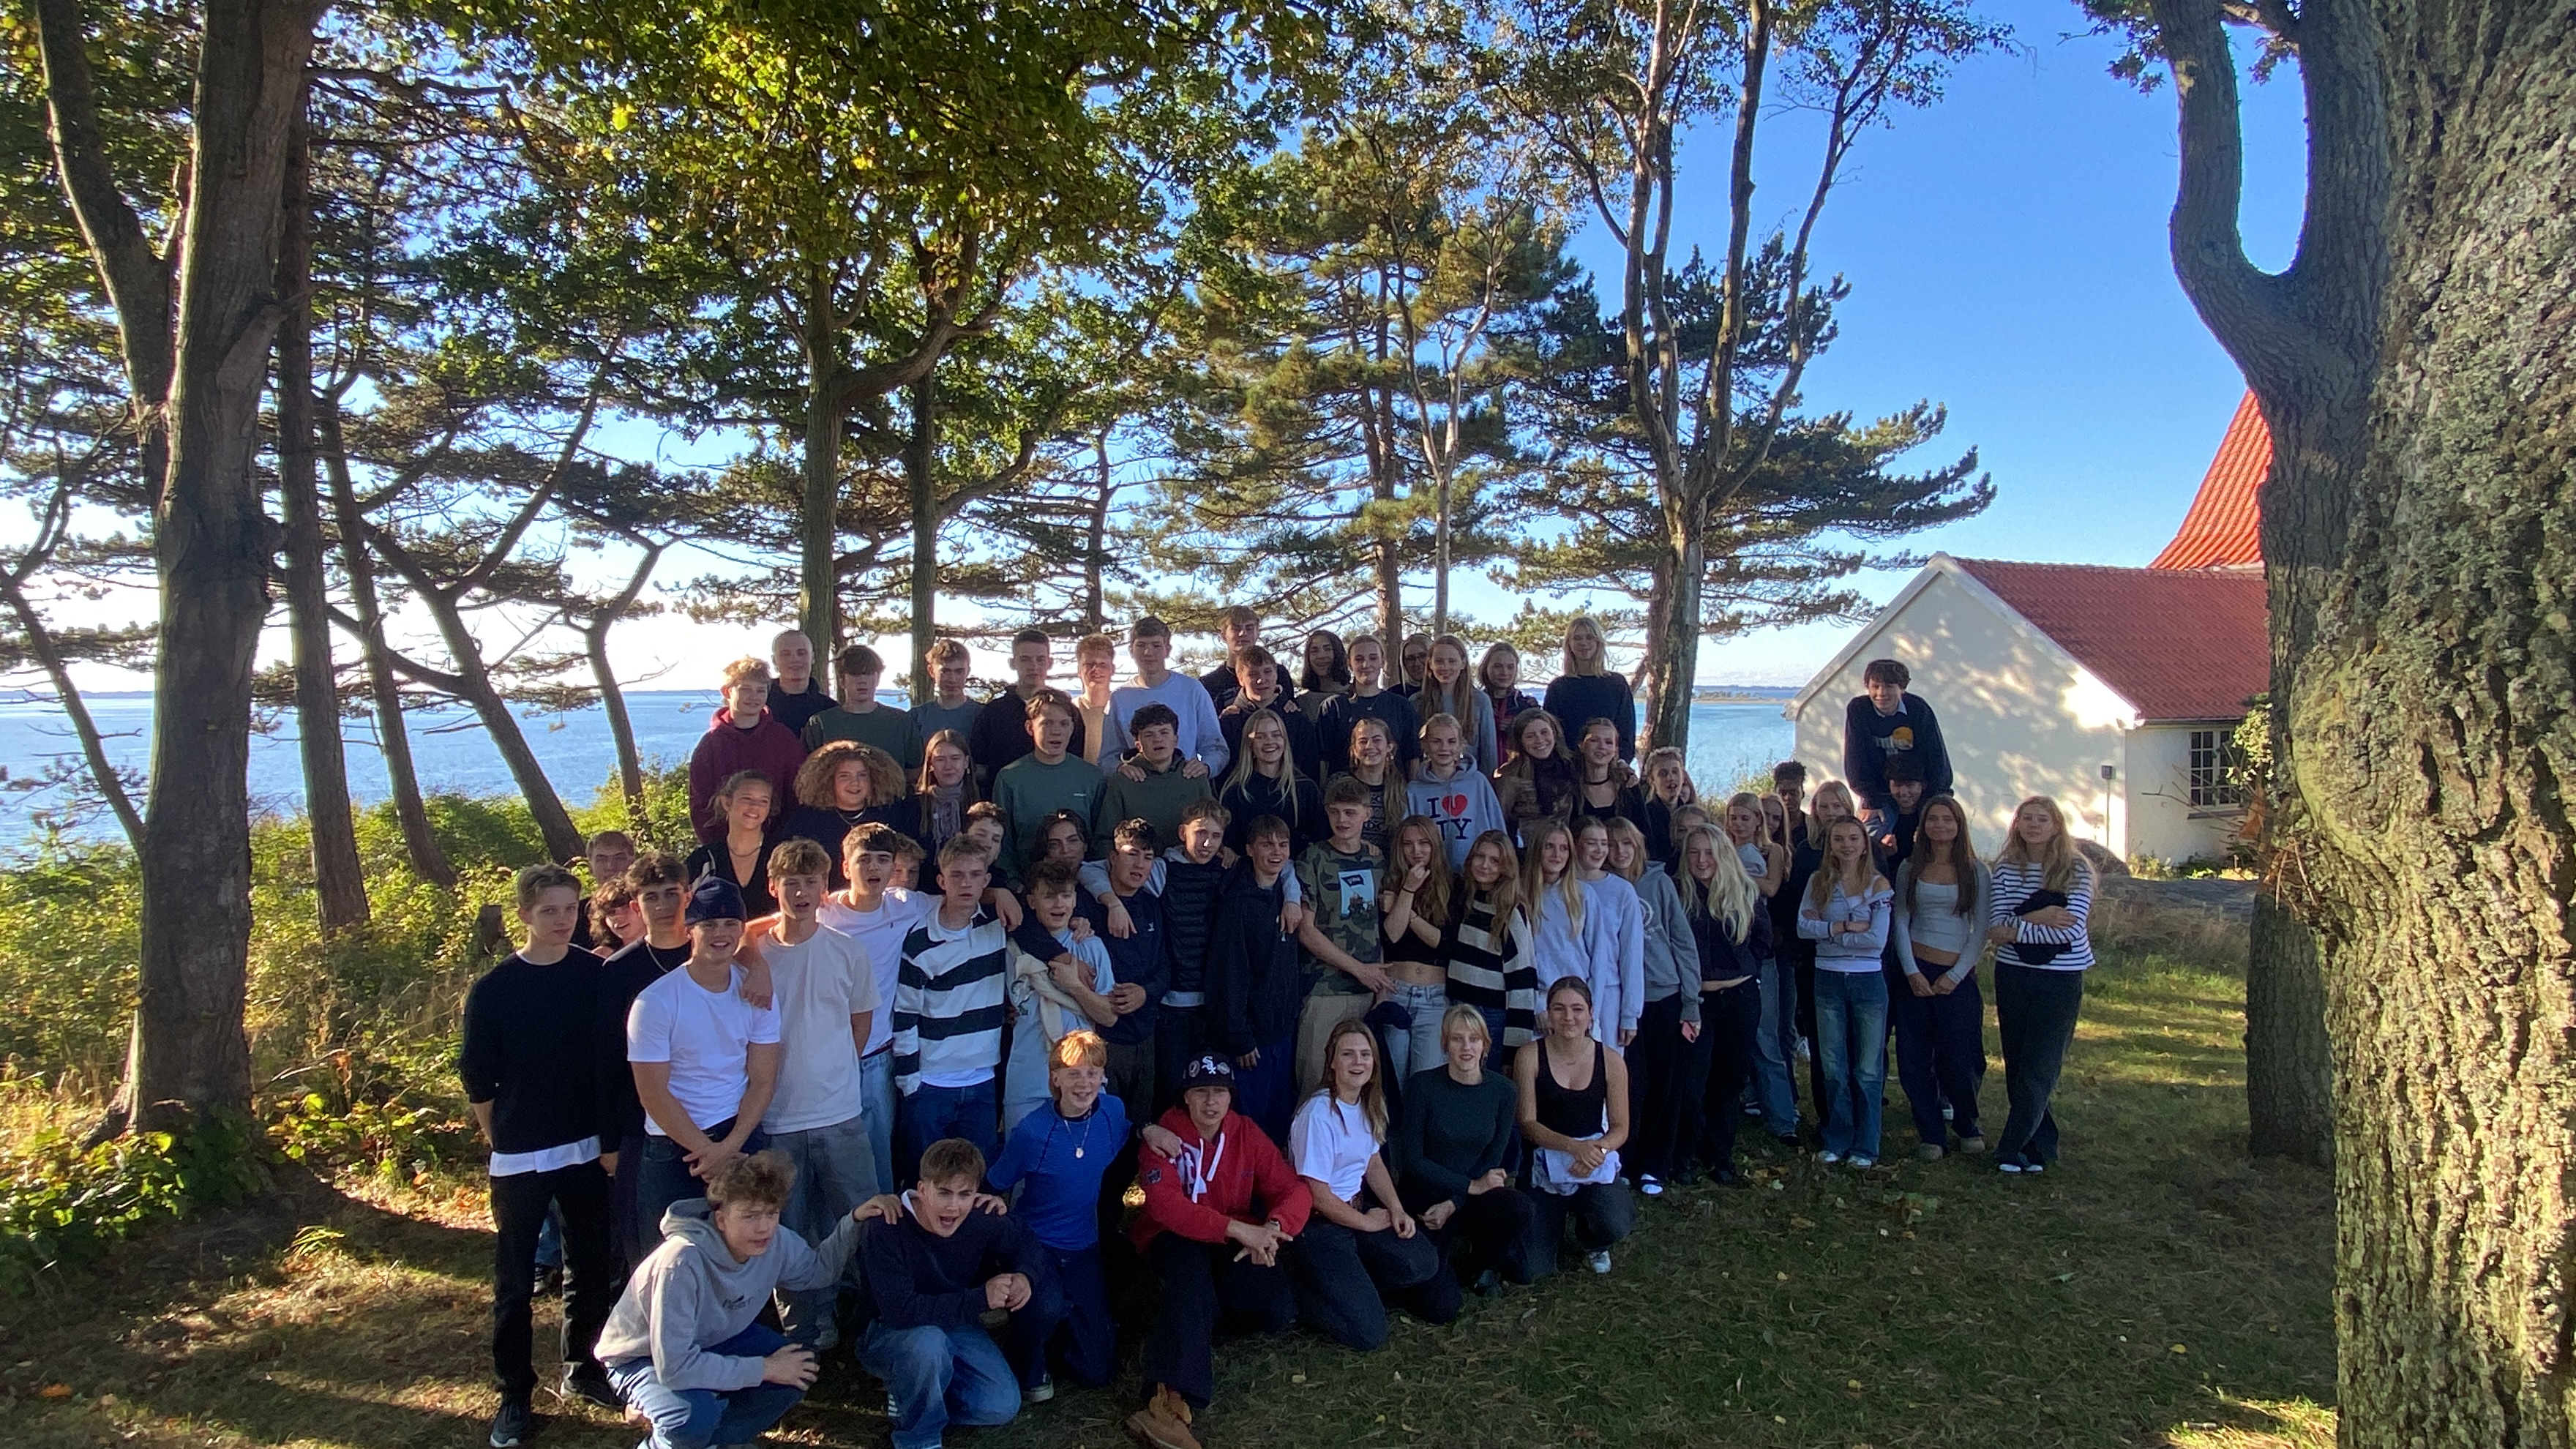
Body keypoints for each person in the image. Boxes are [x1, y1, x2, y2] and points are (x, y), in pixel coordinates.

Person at [465, 864, 617, 1448]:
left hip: (586, 1146)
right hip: (521, 1154)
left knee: (590, 1265)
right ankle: (514, 1394)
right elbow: (479, 1079)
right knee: (514, 1281)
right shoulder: (495, 989)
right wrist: (503, 1138)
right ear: (525, 915)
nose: (561, 920)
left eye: (570, 909)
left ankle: (584, 1368)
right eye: (549, 910)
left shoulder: (595, 975)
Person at [594, 1151, 866, 1449]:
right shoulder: (680, 1262)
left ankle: (715, 1440)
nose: (764, 1227)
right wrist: (764, 1368)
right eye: (750, 1216)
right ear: (721, 1219)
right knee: (690, 1417)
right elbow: (675, 1368)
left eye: (772, 1213)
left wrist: (854, 1221)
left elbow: (816, 1272)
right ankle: (666, 1430)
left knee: (798, 1368)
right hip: (643, 1357)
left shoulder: (776, 1240)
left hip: (718, 1339)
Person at [1126, 1055, 1310, 1449]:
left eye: (1220, 1092)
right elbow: (1165, 1207)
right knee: (1189, 1277)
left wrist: (1273, 1229)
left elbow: (1292, 1189)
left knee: (1275, 1307)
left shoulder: (1245, 1133)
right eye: (1201, 1092)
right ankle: (1166, 1402)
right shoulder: (1164, 1136)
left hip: (1231, 1237)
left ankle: (1194, 1323)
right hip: (1173, 1235)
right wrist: (1240, 1230)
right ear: (1186, 1098)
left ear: (1231, 1097)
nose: (1211, 1102)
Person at [748, 839, 880, 1347]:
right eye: (791, 883)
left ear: (826, 888)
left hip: (839, 1113)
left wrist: (833, 1069)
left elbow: (860, 1023)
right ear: (773, 887)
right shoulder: (753, 956)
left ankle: (874, 1315)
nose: (801, 893)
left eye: (811, 882)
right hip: (777, 1116)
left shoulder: (848, 951)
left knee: (863, 1217)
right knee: (788, 1229)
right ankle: (806, 1328)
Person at [856, 1138, 1053, 1448]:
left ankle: (914, 1396)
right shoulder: (887, 1226)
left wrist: (1024, 1276)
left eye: (965, 1194)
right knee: (928, 1344)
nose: (953, 1206)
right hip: (892, 1329)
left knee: (1001, 1405)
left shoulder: (979, 1216)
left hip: (955, 1321)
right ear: (922, 1190)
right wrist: (981, 1299)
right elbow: (900, 1312)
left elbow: (1026, 1243)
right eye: (944, 1193)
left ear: (977, 1194)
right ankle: (919, 1437)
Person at [626, 877, 781, 1251]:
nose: (721, 934)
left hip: (739, 1133)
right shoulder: (655, 1002)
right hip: (674, 1143)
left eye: (730, 924)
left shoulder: (758, 993)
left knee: (748, 1252)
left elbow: (763, 1079)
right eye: (709, 924)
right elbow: (653, 1093)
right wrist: (709, 1153)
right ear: (689, 930)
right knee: (669, 1257)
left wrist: (729, 1147)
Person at [1288, 1019, 1458, 1348]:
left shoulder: (1368, 1102)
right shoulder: (1318, 1114)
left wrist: (1396, 1209)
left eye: (1365, 1055)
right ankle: (1296, 1291)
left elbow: (1373, 1161)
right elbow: (1318, 1195)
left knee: (1423, 1263)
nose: (1358, 1062)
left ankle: (1356, 1286)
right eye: (1348, 1054)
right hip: (1320, 1225)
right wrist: (1366, 1223)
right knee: (1369, 1335)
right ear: (1332, 1061)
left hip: (1356, 1210)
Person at [986, 1031, 1127, 1400]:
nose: (1084, 1083)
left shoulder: (1113, 1113)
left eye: (1092, 1073)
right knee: (1044, 1304)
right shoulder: (1032, 1131)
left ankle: (1063, 1332)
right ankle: (1024, 1358)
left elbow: (1129, 1140)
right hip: (1037, 1244)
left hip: (1084, 1245)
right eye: (1073, 1073)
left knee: (1098, 1371)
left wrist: (1152, 1130)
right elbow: (995, 1183)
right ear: (1055, 1078)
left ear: (1103, 1077)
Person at [817, 825, 934, 1203]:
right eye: (864, 860)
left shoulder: (906, 905)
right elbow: (762, 931)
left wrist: (1000, 894)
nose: (873, 868)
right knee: (828, 1163)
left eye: (883, 860)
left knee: (878, 1161)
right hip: (826, 1059)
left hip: (877, 1059)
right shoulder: (823, 912)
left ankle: (881, 1232)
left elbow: (959, 900)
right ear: (845, 867)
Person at [1390, 1005, 1535, 1294]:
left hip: (1470, 1194)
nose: (1466, 1047)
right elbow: (1413, 1160)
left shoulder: (1504, 1091)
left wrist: (1455, 1202)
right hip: (1426, 1195)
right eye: (1457, 1039)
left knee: (1519, 1208)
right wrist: (1468, 1187)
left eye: (1474, 1039)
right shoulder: (1422, 1086)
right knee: (1437, 1304)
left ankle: (1481, 1264)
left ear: (1485, 1045)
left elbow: (1493, 1158)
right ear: (1445, 1045)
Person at [599, 853, 700, 1266]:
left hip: (712, 1114)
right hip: (640, 1125)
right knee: (648, 1246)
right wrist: (610, 1141)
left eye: (672, 894)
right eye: (651, 897)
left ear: (688, 896)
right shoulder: (619, 970)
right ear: (636, 906)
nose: (663, 905)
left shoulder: (712, 952)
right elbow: (607, 1061)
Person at [1986, 795, 2094, 1174]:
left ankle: (2009, 1148)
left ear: (2056, 825)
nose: (2033, 825)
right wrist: (2038, 917)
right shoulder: (2006, 869)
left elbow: (2069, 932)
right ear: (2016, 824)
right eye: (2027, 818)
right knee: (2017, 1062)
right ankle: (2039, 1146)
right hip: (2013, 975)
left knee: (2042, 1063)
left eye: (2041, 819)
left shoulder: (2076, 870)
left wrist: (2016, 927)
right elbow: (1994, 929)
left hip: (2060, 979)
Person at [892, 837, 1012, 1176]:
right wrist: (910, 1083)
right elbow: (905, 1016)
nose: (966, 884)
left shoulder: (998, 925)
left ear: (986, 881)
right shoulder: (919, 942)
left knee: (977, 1178)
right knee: (925, 1179)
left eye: (975, 875)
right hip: (930, 1083)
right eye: (957, 875)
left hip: (982, 1079)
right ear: (942, 881)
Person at [1892, 794, 1991, 1161]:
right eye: (1933, 819)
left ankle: (1967, 1123)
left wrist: (1956, 975)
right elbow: (1901, 919)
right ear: (1923, 826)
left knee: (1961, 1057)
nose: (1940, 826)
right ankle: (1931, 1132)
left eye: (1947, 819)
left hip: (1957, 976)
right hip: (1916, 972)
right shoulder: (1910, 868)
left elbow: (1981, 928)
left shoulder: (1976, 871)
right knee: (1914, 1058)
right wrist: (1911, 971)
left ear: (1959, 825)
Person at [1603, 819, 1698, 1196]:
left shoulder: (1659, 883)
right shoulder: (1600, 887)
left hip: (1664, 995)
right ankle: (1626, 1159)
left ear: (1638, 845)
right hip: (1622, 1000)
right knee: (1630, 1084)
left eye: (1627, 844)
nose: (1620, 851)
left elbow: (1682, 941)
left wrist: (1691, 1002)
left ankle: (1655, 1165)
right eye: (1612, 845)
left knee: (1665, 1084)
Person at [1514, 979, 1634, 1276]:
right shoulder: (1529, 1056)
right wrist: (1572, 1147)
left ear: (1591, 1013)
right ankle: (1551, 1224)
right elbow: (1527, 1123)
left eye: (1577, 1009)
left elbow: (1621, 1127)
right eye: (1559, 1009)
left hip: (1592, 1160)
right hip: (1543, 1164)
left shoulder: (1611, 1061)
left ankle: (1593, 1239)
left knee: (1615, 1222)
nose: (1569, 1017)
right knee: (1531, 1269)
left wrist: (1597, 1151)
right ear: (1548, 1012)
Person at [1797, 815, 1895, 1167]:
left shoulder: (1879, 885)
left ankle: (1866, 1145)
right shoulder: (1818, 881)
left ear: (1864, 844)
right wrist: (1844, 926)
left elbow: (1877, 940)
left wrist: (1827, 931)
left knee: (1867, 1069)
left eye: (1854, 838)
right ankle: (1837, 1138)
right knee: (1833, 1066)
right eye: (1839, 839)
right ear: (1830, 845)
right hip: (1827, 979)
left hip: (1868, 981)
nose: (1847, 845)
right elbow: (1803, 927)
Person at [1677, 824, 1770, 1185]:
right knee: (1691, 1082)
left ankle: (1720, 1156)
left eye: (1709, 853)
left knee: (1729, 1082)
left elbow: (1762, 940)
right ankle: (1685, 1154)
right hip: (1695, 1001)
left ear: (1723, 855)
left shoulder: (1745, 891)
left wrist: (1744, 968)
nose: (1702, 860)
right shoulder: (1677, 893)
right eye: (1694, 852)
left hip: (1740, 998)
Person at [1289, 782, 1395, 1093]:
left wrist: (1380, 985)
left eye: (1350, 813)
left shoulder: (1377, 861)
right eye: (1335, 812)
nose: (1342, 820)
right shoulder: (1312, 859)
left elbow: (1379, 926)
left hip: (1368, 991)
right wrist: (1359, 970)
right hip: (1324, 990)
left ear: (1367, 814)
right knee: (1316, 1084)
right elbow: (1306, 931)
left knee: (1363, 1090)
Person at [1204, 815, 1303, 1142]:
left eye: (1283, 845)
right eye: (1267, 845)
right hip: (1250, 1041)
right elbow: (1228, 973)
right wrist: (1239, 1036)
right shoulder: (1236, 903)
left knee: (1278, 1127)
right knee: (1249, 1128)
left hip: (1283, 1033)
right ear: (1249, 849)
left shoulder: (1287, 895)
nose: (1276, 852)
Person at [1002, 860, 1119, 1136]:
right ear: (1032, 901)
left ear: (1075, 899)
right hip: (1027, 1080)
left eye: (1066, 895)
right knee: (1023, 1160)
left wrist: (1075, 986)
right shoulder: (1010, 949)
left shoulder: (1091, 946)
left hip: (1082, 1081)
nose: (1059, 904)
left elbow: (1109, 1016)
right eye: (1049, 896)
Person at [1074, 817, 1166, 1132]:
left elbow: (1165, 967)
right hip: (1101, 1039)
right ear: (1112, 857)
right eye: (1132, 854)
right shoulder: (1084, 906)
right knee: (1099, 1130)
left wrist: (1145, 992)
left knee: (1138, 1130)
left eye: (1148, 857)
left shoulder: (1152, 905)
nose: (1140, 864)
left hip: (1145, 1036)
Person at [1724, 794, 1799, 1144]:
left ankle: (1783, 1118)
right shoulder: (1724, 850)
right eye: (1733, 817)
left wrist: (1730, 874)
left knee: (1767, 1038)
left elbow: (1769, 887)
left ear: (1758, 821)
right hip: (1729, 951)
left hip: (1759, 948)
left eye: (1745, 818)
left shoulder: (1764, 853)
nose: (1738, 824)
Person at [1442, 831, 1541, 1067]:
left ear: (1506, 868)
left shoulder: (1512, 911)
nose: (1485, 865)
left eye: (1495, 861)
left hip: (1490, 1014)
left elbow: (1523, 980)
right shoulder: (1463, 899)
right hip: (1455, 1005)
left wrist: (1513, 1051)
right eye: (1480, 857)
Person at [687, 659, 809, 845]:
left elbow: (799, 792)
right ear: (727, 692)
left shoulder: (783, 739)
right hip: (726, 846)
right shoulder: (711, 745)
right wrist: (717, 846)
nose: (754, 697)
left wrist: (784, 840)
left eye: (761, 690)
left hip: (777, 845)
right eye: (745, 689)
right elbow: (700, 804)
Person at [992, 689, 1104, 876]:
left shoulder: (1092, 777)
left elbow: (1100, 840)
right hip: (1028, 884)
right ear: (1030, 728)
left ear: (1072, 728)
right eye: (1047, 723)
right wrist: (1013, 883)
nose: (1056, 731)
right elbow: (1003, 843)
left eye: (1064, 724)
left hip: (1084, 882)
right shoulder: (1009, 778)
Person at [1377, 813, 1456, 1077]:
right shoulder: (1389, 883)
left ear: (1435, 845)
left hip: (1434, 998)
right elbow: (1392, 935)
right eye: (1408, 844)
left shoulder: (1452, 885)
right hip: (1395, 991)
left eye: (1424, 843)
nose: (1416, 851)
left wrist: (1406, 907)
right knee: (1393, 1082)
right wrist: (1408, 890)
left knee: (1426, 1081)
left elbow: (1442, 943)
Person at [1102, 615, 1229, 775]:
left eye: (1156, 645)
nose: (1148, 652)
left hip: (1184, 782)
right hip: (1140, 785)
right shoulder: (1119, 698)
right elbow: (1107, 758)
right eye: (1141, 645)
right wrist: (1120, 769)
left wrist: (1206, 767)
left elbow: (1217, 748)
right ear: (1131, 650)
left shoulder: (1192, 690)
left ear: (1167, 650)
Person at [1843, 657, 1953, 834]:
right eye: (1875, 686)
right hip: (1879, 793)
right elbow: (1855, 760)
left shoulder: (1918, 710)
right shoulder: (1859, 710)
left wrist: (1932, 800)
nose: (1881, 693)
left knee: (1937, 833)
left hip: (1918, 791)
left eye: (1889, 686)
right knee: (1868, 836)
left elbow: (1937, 758)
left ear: (1902, 688)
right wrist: (1871, 800)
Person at [970, 629, 1089, 787]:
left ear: (1050, 663)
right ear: (1013, 663)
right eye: (1025, 660)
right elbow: (979, 767)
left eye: (1040, 660)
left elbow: (1075, 763)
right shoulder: (993, 713)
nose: (1034, 666)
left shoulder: (1067, 713)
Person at [779, 741, 907, 885]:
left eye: (862, 775)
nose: (855, 782)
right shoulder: (805, 820)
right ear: (828, 780)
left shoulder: (892, 815)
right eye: (844, 776)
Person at [1569, 817, 1647, 1051]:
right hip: (1567, 991)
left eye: (1604, 844)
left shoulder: (1623, 891)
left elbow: (1632, 954)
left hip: (1609, 993)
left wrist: (1630, 1014)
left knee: (1606, 1064)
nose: (1600, 850)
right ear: (1576, 844)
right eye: (1591, 843)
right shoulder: (1561, 887)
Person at [1096, 702, 1216, 849]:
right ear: (1139, 745)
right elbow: (1105, 838)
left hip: (1187, 860)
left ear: (1175, 740)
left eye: (1164, 732)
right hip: (1140, 860)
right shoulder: (1124, 781)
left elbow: (1214, 825)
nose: (1158, 739)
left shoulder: (1194, 775)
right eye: (1149, 735)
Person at [1216, 706, 1322, 855]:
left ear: (1285, 741)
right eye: (1260, 737)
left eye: (1276, 735)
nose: (1269, 741)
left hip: (1298, 867)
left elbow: (1320, 840)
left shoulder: (1306, 789)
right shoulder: (1235, 792)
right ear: (1250, 744)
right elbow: (1230, 847)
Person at [802, 644, 924, 772]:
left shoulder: (901, 722)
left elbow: (917, 771)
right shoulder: (821, 724)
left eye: (869, 673)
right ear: (842, 681)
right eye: (855, 674)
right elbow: (808, 773)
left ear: (877, 679)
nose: (862, 680)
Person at [1406, 713, 1506, 867]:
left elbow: (1497, 828)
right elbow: (1407, 836)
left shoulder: (1477, 782)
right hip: (1433, 872)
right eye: (1436, 741)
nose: (1444, 748)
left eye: (1451, 741)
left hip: (1476, 870)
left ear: (1460, 745)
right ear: (1425, 745)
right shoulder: (1414, 791)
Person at [1217, 645, 1325, 783]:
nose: (1261, 680)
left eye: (1267, 672)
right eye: (1253, 674)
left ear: (1276, 674)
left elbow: (1310, 770)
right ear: (1241, 679)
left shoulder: (1296, 719)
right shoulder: (1228, 723)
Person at [685, 771, 784, 920]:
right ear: (727, 803)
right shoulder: (704, 860)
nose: (755, 806)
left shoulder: (782, 856)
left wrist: (750, 931)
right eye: (747, 798)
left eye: (763, 801)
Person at [1319, 634, 1420, 774]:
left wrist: (1412, 786)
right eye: (1359, 659)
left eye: (1373, 658)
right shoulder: (1334, 707)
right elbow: (1323, 760)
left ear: (1382, 662)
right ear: (1349, 664)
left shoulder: (1400, 706)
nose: (1366, 665)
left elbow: (1412, 756)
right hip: (1345, 786)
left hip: (1393, 785)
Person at [1541, 617, 1635, 763]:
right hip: (1568, 769)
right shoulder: (1558, 688)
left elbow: (1626, 733)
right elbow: (1551, 735)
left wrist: (1620, 764)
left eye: (1589, 637)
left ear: (1598, 642)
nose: (1583, 643)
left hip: (1608, 768)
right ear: (1569, 644)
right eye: (1577, 638)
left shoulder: (1617, 684)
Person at [1492, 708, 1579, 845]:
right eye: (1530, 736)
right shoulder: (1510, 777)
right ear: (1520, 741)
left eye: (1544, 733)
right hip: (1527, 851)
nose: (1539, 740)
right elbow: (1499, 821)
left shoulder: (1569, 767)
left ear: (1555, 734)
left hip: (1562, 849)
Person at [1415, 634, 1499, 772]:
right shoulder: (1417, 702)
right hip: (1430, 779)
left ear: (1463, 663)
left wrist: (1485, 783)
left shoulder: (1480, 701)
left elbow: (1489, 754)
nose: (1445, 667)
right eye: (1439, 661)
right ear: (1430, 664)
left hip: (1470, 779)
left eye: (1452, 661)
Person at [1326, 714, 1406, 855]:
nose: (1370, 746)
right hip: (1342, 858)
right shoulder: (1338, 782)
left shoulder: (1399, 788)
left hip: (1386, 862)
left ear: (1389, 747)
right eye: (1363, 741)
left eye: (1377, 740)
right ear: (1354, 749)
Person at [907, 729, 981, 878]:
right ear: (931, 764)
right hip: (925, 885)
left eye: (955, 758)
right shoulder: (914, 806)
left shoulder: (981, 803)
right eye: (940, 759)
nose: (948, 766)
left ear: (966, 762)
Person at [1571, 717, 1647, 831]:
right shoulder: (1569, 788)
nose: (1602, 747)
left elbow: (1645, 833)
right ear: (1581, 745)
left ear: (1615, 751)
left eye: (1609, 742)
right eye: (1594, 740)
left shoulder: (1628, 785)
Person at [571, 830, 637, 952]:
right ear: (590, 866)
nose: (610, 866)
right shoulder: (576, 913)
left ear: (632, 862)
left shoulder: (646, 903)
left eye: (619, 858)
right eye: (601, 859)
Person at [911, 637, 984, 746]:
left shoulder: (983, 716)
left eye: (959, 672)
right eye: (945, 671)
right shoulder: (916, 718)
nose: (952, 679)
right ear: (931, 671)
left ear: (967, 672)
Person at [765, 629, 837, 736]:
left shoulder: (830, 710)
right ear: (774, 661)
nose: (795, 659)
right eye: (786, 654)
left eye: (802, 653)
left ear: (812, 658)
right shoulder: (760, 706)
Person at [1477, 643, 1541, 755]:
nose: (1504, 672)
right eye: (1498, 666)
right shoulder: (1474, 704)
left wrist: (1516, 730)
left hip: (1518, 765)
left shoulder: (1526, 707)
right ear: (1486, 668)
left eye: (1510, 667)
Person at [1639, 748, 1696, 868]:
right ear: (1652, 781)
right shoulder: (1645, 816)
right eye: (1663, 774)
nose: (1670, 778)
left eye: (1675, 772)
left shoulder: (1693, 816)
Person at [1199, 604, 1263, 711]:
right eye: (1236, 628)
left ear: (1257, 633)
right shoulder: (1208, 684)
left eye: (1249, 628)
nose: (1243, 633)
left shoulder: (1278, 674)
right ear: (1224, 636)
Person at [1070, 632, 1120, 767]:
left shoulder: (1121, 708)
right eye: (1089, 664)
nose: (1096, 670)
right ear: (1079, 670)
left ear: (1113, 669)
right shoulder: (1070, 711)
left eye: (1102, 664)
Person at [1876, 755, 1931, 868]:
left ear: (1923, 785)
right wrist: (1880, 850)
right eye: (1898, 785)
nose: (1904, 792)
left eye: (1910, 785)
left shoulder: (1931, 816)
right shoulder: (1878, 815)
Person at [1294, 629, 1352, 728]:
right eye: (1314, 651)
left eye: (1327, 649)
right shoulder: (1302, 703)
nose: (1321, 656)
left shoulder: (1356, 693)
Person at [1396, 633, 1431, 697]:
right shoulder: (1394, 696)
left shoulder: (1446, 691)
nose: (1417, 664)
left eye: (1422, 656)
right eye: (1410, 659)